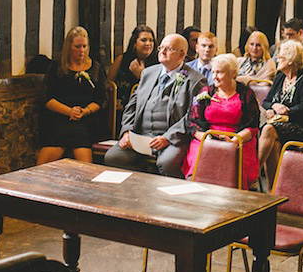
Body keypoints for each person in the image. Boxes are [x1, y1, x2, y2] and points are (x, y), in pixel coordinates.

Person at [105, 34, 207, 177]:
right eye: (161, 48)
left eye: (169, 49)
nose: (162, 52)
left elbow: (192, 116)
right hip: (141, 136)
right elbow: (132, 106)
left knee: (166, 163)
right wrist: (127, 132)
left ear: (182, 54)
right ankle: (139, 186)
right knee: (113, 157)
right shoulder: (148, 73)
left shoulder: (195, 80)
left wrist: (167, 138)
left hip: (172, 140)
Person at [183, 54, 260, 187]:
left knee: (234, 169)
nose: (214, 77)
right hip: (206, 139)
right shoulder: (206, 92)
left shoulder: (246, 94)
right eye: (213, 72)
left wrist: (234, 140)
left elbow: (253, 126)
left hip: (238, 140)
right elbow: (193, 123)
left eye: (219, 72)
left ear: (233, 73)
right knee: (198, 165)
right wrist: (208, 139)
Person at [36, 26, 106, 165]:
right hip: (60, 118)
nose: (82, 50)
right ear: (69, 47)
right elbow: (46, 98)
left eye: (84, 46)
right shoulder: (57, 67)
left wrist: (84, 111)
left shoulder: (96, 68)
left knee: (83, 158)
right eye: (77, 46)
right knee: (47, 155)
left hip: (85, 120)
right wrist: (69, 111)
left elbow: (101, 99)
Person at [257, 40, 303, 182]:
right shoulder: (280, 78)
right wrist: (274, 107)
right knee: (274, 144)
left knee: (268, 130)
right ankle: (273, 191)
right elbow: (266, 102)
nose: (277, 59)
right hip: (279, 126)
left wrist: (286, 111)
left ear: (291, 61)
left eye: (281, 57)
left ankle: (253, 173)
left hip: (299, 127)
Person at [107, 25, 157, 100]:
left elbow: (158, 91)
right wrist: (114, 101)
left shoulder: (158, 63)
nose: (148, 43)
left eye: (151, 40)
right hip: (122, 108)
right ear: (134, 43)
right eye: (143, 40)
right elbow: (108, 85)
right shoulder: (121, 60)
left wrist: (142, 75)